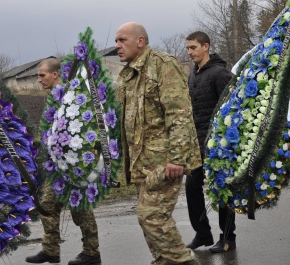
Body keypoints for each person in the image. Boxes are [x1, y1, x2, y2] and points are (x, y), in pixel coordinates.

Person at [115, 22, 201, 265]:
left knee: (152, 216)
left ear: (140, 41)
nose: (117, 46)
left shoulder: (162, 65)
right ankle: (164, 261)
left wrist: (177, 158)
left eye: (122, 40)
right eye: (116, 41)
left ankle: (183, 261)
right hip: (144, 162)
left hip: (165, 160)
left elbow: (179, 113)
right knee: (150, 220)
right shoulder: (130, 73)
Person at [25, 58, 101, 265]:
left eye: (42, 75)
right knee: (47, 205)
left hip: (74, 165)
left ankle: (92, 252)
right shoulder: (53, 98)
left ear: (55, 74)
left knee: (81, 209)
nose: (39, 80)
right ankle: (51, 250)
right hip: (56, 165)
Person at [185, 31, 236, 253]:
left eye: (193, 48)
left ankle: (227, 238)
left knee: (222, 190)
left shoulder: (219, 73)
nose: (189, 52)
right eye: (187, 48)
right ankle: (203, 234)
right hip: (197, 142)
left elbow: (234, 107)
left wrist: (225, 140)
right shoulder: (193, 75)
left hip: (218, 144)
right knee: (192, 187)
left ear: (206, 47)